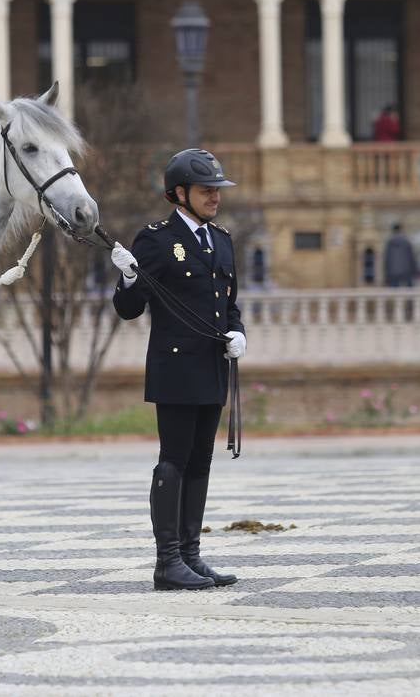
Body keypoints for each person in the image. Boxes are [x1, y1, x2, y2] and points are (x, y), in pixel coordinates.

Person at [110, 148, 245, 591]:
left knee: (201, 463)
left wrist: (238, 333)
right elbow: (129, 310)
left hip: (212, 370)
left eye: (217, 191)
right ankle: (167, 561)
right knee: (173, 461)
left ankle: (191, 554)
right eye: (207, 191)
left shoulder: (221, 240)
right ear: (179, 193)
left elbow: (229, 304)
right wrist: (128, 278)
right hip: (175, 369)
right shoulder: (155, 240)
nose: (215, 198)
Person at [383, 222, 418, 287]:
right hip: (407, 270)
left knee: (394, 293)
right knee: (409, 293)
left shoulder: (390, 242)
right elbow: (411, 257)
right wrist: (414, 270)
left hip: (393, 271)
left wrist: (386, 272)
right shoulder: (406, 241)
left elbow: (387, 259)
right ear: (401, 229)